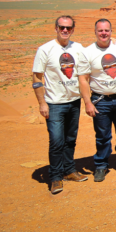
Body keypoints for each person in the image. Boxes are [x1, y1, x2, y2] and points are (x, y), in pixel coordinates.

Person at [32, 15, 91, 194]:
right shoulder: (45, 49)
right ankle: (56, 177)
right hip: (54, 103)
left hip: (73, 101)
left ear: (73, 29)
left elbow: (95, 57)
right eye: (62, 27)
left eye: (69, 28)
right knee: (57, 141)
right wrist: (42, 103)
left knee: (70, 140)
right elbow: (37, 77)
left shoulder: (78, 48)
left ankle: (69, 170)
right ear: (56, 28)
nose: (65, 30)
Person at [79, 19, 116, 183]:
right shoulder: (88, 52)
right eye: (100, 30)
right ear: (95, 32)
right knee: (102, 135)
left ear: (111, 31)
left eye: (107, 30)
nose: (104, 33)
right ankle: (101, 165)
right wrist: (87, 102)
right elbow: (83, 79)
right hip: (100, 100)